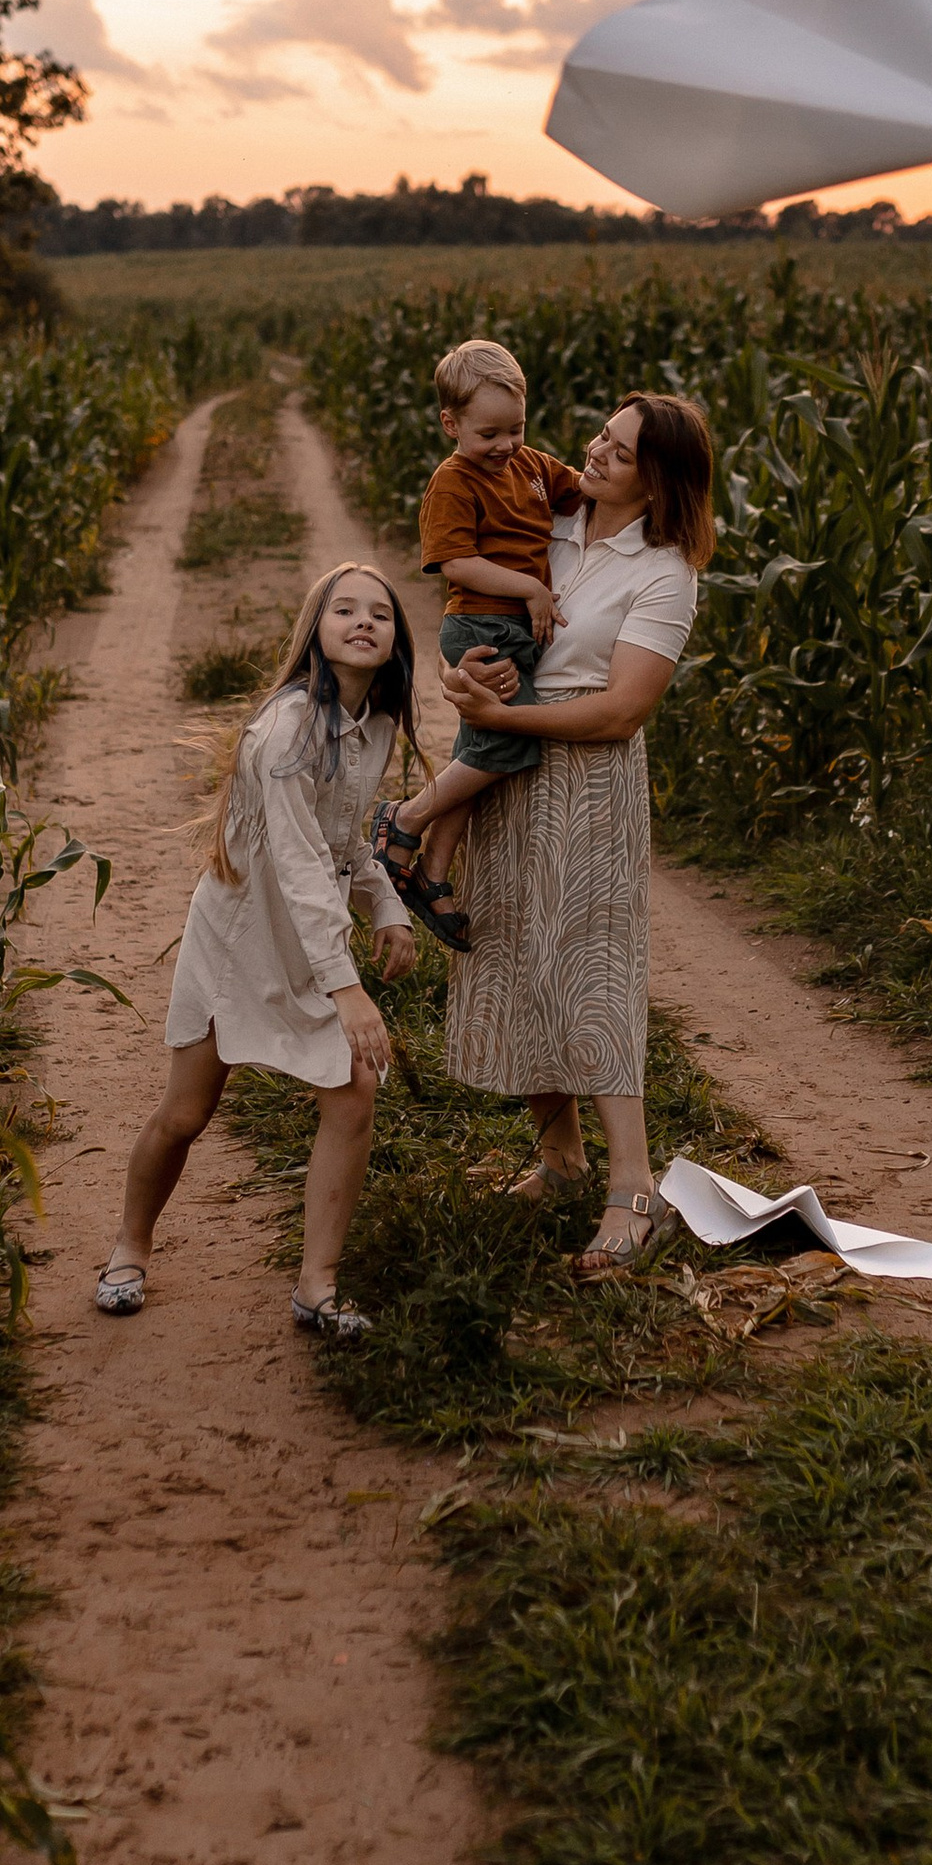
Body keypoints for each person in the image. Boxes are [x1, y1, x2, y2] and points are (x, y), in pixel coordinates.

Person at [98, 565, 420, 1340]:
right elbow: (303, 867)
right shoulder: (285, 731)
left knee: (353, 1092)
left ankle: (317, 1284)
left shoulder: (373, 724)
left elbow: (343, 841)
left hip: (308, 944)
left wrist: (387, 904)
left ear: (395, 643)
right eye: (344, 609)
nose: (363, 621)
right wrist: (348, 989)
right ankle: (128, 1249)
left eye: (380, 614)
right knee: (186, 1111)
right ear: (316, 627)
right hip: (241, 941)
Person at [436, 392, 715, 1275]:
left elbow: (622, 711)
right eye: (602, 433)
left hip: (587, 784)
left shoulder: (665, 572)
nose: (594, 452)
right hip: (508, 769)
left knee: (592, 968)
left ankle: (632, 1188)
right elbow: (479, 603)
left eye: (621, 452)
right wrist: (468, 671)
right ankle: (560, 1161)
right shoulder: (547, 517)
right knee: (518, 954)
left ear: (658, 480)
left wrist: (505, 720)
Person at [370, 335, 583, 952]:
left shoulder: (534, 467)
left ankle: (432, 876)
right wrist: (532, 589)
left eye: (515, 428)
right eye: (488, 434)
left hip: (513, 627)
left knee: (478, 746)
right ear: (450, 423)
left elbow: (588, 496)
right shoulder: (454, 482)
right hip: (483, 626)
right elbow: (456, 562)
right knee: (509, 745)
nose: (505, 446)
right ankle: (403, 818)